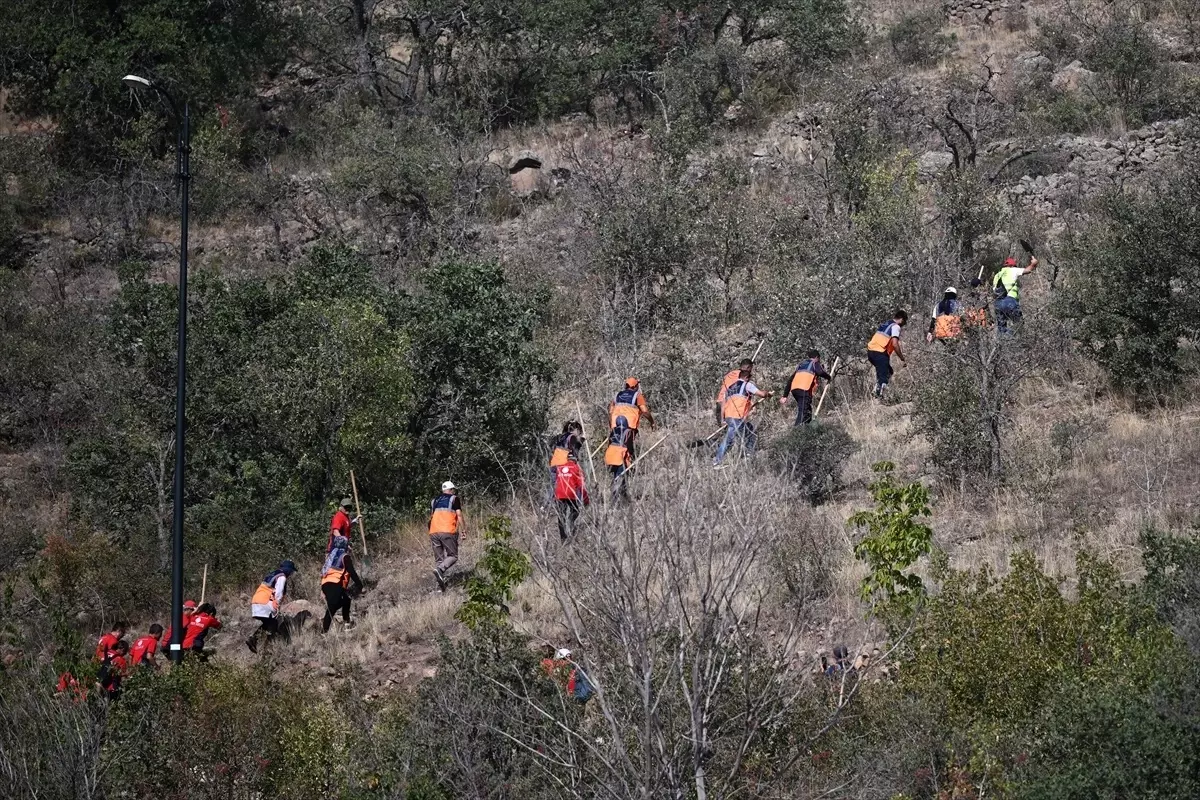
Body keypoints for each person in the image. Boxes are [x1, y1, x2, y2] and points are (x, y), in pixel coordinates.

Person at [714, 369, 772, 465]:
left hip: (729, 417)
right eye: (749, 378)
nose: (749, 380)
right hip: (737, 418)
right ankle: (748, 456)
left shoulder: (729, 388)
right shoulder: (747, 385)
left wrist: (723, 419)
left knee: (731, 439)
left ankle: (717, 460)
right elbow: (762, 394)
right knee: (749, 435)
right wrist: (767, 393)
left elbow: (723, 405)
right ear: (745, 377)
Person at [246, 560, 297, 654]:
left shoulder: (273, 574)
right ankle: (267, 648)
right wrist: (277, 604)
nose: (291, 573)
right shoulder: (282, 577)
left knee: (268, 623)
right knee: (273, 624)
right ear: (288, 570)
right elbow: (279, 592)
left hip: (257, 601)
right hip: (266, 602)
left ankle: (253, 639)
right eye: (291, 571)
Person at [321, 535, 364, 632]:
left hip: (325, 584)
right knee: (332, 607)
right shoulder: (345, 556)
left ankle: (346, 622)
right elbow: (352, 572)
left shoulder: (331, 555)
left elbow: (324, 571)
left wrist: (321, 590)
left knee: (346, 599)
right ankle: (324, 632)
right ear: (344, 545)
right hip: (335, 583)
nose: (349, 546)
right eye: (348, 544)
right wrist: (360, 585)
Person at [779, 350, 832, 426]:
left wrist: (785, 396)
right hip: (804, 390)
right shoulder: (814, 363)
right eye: (819, 359)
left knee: (807, 411)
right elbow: (820, 372)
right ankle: (797, 431)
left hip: (795, 390)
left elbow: (790, 380)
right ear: (817, 357)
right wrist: (829, 377)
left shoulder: (801, 365)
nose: (819, 361)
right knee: (803, 412)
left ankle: (807, 429)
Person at [429, 481, 464, 592]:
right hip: (447, 530)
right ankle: (440, 570)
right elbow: (459, 515)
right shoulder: (454, 499)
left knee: (439, 560)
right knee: (453, 556)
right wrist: (464, 530)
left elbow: (431, 518)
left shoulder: (434, 501)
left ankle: (441, 588)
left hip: (433, 532)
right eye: (454, 490)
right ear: (452, 490)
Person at [866, 309, 908, 398]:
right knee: (883, 377)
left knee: (888, 371)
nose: (903, 325)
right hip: (880, 352)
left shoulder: (886, 323)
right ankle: (879, 398)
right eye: (904, 322)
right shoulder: (896, 327)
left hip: (870, 352)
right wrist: (902, 358)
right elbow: (895, 344)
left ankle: (876, 391)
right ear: (901, 319)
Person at [608, 378, 654, 459]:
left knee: (615, 446)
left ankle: (614, 467)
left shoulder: (617, 395)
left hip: (615, 426)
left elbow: (611, 412)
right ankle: (628, 467)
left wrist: (611, 425)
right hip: (629, 426)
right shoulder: (637, 395)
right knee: (627, 448)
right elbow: (645, 411)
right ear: (635, 386)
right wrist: (652, 422)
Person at [993, 254, 1038, 333]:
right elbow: (1028, 270)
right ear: (1012, 265)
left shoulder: (997, 275)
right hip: (1010, 301)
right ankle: (1019, 342)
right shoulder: (1013, 270)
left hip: (998, 304)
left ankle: (1004, 343)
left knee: (1002, 330)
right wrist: (1033, 263)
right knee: (1019, 327)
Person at [546, 421, 585, 504]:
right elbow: (573, 452)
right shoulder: (572, 437)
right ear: (576, 430)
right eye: (579, 431)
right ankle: (578, 502)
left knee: (553, 486)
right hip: (563, 464)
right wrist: (581, 442)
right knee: (573, 482)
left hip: (554, 463)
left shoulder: (561, 437)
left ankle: (545, 506)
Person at [553, 455, 590, 541]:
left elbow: (556, 481)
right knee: (575, 511)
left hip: (559, 494)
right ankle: (571, 526)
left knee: (561, 516)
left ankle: (563, 538)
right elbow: (581, 486)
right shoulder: (576, 468)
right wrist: (586, 499)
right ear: (575, 460)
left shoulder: (560, 468)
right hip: (570, 494)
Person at [715, 359, 755, 424]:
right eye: (750, 369)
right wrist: (751, 404)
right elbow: (740, 393)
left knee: (724, 429)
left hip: (719, 402)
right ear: (748, 368)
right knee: (734, 428)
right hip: (728, 405)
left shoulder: (730, 374)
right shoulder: (742, 378)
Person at [605, 417, 635, 501]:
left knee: (617, 477)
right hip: (619, 457)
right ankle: (615, 500)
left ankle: (624, 498)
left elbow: (609, 443)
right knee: (619, 478)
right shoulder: (628, 432)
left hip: (610, 456)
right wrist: (632, 456)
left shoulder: (613, 431)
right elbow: (630, 446)